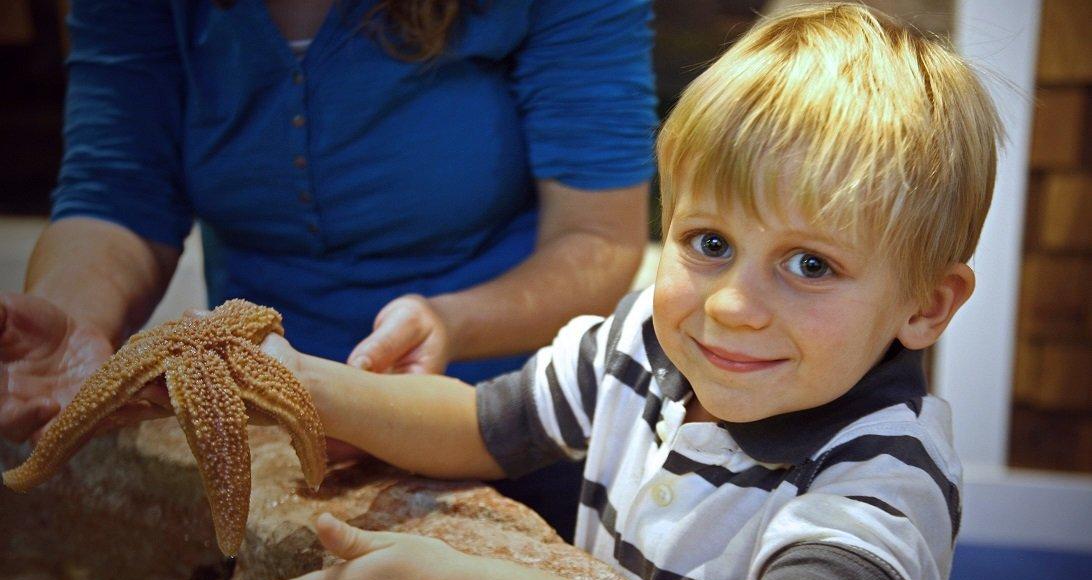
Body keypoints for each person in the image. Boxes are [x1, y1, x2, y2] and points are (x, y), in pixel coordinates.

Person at [270, 4, 1000, 580]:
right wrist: (311, 385)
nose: (731, 306)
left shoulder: (887, 465)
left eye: (811, 265)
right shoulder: (639, 344)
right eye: (710, 243)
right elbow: (479, 423)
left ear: (927, 305)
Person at [0, 0, 655, 539]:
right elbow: (117, 189)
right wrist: (73, 319)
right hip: (260, 417)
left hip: (492, 405)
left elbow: (596, 238)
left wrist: (449, 324)